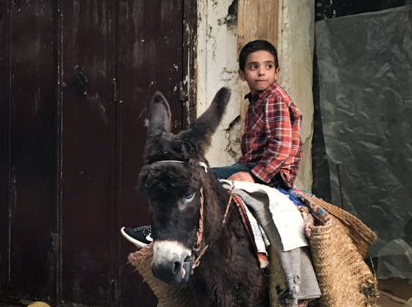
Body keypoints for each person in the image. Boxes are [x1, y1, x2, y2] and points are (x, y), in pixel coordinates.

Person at [121, 39, 303, 248]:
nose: (261, 72)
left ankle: (161, 232)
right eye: (254, 67)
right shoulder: (257, 101)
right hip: (256, 167)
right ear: (242, 74)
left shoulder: (275, 100)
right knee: (197, 176)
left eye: (268, 66)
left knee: (199, 178)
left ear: (277, 72)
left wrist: (254, 175)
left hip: (272, 174)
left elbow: (282, 148)